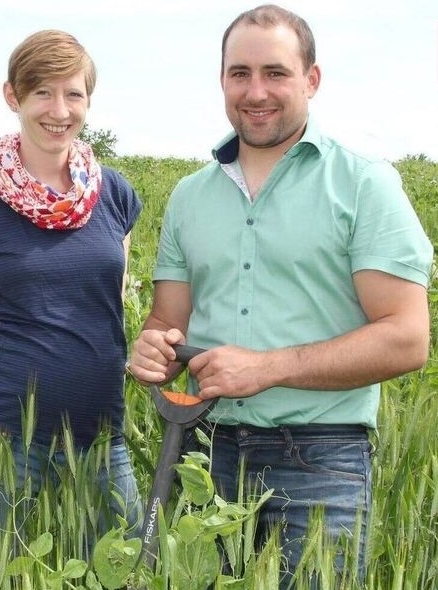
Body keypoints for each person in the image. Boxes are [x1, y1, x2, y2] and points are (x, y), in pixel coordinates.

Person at [127, 4, 432, 587]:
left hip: (319, 459)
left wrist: (267, 369)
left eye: (276, 72)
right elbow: (167, 324)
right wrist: (151, 353)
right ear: (222, 81)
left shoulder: (364, 183)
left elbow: (407, 338)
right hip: (202, 455)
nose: (256, 90)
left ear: (311, 80)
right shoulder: (191, 197)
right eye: (239, 73)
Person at [0, 29, 144, 544]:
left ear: (89, 100)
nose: (58, 109)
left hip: (101, 435)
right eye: (42, 91)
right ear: (12, 96)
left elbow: (108, 310)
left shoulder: (116, 197)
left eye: (73, 94)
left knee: (127, 572)